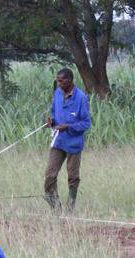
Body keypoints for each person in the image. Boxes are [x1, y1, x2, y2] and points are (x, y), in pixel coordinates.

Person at [44, 67, 91, 213]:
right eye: (57, 81)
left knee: (73, 177)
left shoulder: (81, 98)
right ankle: (56, 209)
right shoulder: (57, 93)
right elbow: (53, 111)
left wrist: (69, 126)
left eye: (61, 81)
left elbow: (86, 123)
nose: (59, 84)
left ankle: (70, 209)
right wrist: (51, 121)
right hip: (58, 141)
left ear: (70, 81)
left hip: (73, 143)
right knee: (50, 175)